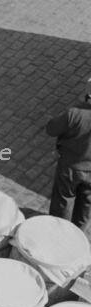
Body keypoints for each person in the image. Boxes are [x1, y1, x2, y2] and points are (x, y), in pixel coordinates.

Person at [46, 77, 91, 234]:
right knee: (86, 204)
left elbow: (51, 129)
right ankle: (78, 235)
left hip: (71, 167)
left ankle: (58, 232)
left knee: (63, 201)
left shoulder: (75, 114)